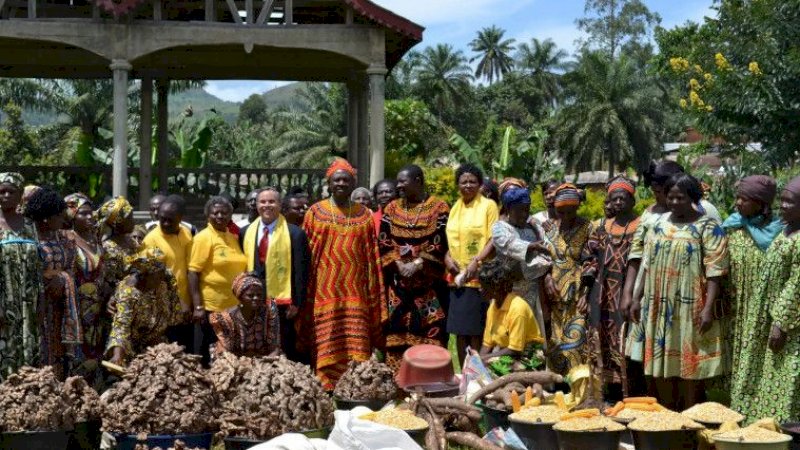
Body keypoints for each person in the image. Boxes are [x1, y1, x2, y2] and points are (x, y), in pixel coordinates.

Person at [631, 174, 728, 410]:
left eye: (680, 198)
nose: (674, 202)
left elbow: (715, 270)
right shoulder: (657, 223)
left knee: (690, 362)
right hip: (657, 303)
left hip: (690, 304)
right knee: (660, 363)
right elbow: (644, 261)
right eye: (670, 197)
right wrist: (636, 297)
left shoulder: (708, 227)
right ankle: (666, 415)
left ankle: (690, 416)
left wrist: (707, 308)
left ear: (693, 198)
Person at [302, 158, 385, 390]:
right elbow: (307, 254)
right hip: (323, 292)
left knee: (356, 345)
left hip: (356, 293)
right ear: (329, 183)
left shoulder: (365, 215)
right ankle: (327, 387)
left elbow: (371, 256)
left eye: (346, 180)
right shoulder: (315, 213)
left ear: (353, 184)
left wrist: (371, 290)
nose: (341, 183)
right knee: (326, 342)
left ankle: (357, 386)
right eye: (336, 179)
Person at [378, 165, 450, 370]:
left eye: (403, 181)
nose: (398, 185)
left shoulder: (439, 207)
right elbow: (383, 240)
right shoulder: (392, 208)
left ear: (418, 180)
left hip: (429, 288)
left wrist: (418, 264)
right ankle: (398, 385)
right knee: (396, 335)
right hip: (398, 286)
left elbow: (440, 241)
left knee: (432, 334)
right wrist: (399, 264)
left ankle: (430, 384)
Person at [725, 175, 783, 419]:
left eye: (744, 199)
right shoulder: (732, 226)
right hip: (735, 305)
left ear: (761, 203)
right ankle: (733, 409)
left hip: (763, 308)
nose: (737, 203)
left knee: (758, 359)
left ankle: (757, 413)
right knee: (734, 357)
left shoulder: (779, 232)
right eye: (737, 197)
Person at [743, 176, 800, 423]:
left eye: (791, 202)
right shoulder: (787, 229)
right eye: (783, 201)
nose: (783, 207)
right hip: (767, 317)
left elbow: (797, 285)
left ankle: (785, 431)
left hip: (788, 324)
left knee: (785, 376)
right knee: (766, 374)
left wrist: (780, 323)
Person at [581, 177, 641, 399]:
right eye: (613, 199)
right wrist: (586, 291)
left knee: (628, 340)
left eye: (622, 198)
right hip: (603, 294)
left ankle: (633, 393)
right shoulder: (602, 227)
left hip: (629, 291)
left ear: (632, 200)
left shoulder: (641, 226)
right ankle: (610, 391)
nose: (617, 203)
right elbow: (590, 256)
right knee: (603, 339)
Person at [240, 188, 309, 362]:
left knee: (283, 343)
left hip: (283, 301)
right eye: (263, 202)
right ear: (256, 205)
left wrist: (297, 301)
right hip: (254, 299)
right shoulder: (245, 232)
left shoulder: (295, 234)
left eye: (272, 202)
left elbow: (301, 271)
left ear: (280, 205)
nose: (267, 205)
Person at [445, 163, 499, 365]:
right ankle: (465, 377)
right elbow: (452, 239)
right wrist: (448, 259)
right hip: (457, 278)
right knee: (459, 332)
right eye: (463, 181)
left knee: (475, 331)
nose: (468, 185)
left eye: (472, 181)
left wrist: (477, 261)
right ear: (457, 185)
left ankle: (478, 377)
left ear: (480, 184)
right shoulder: (455, 208)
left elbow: (494, 238)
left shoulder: (488, 206)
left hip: (478, 278)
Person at [26, 187, 81, 380]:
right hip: (36, 305)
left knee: (58, 352)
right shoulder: (28, 239)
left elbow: (71, 269)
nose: (63, 220)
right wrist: (49, 280)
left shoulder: (64, 238)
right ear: (45, 218)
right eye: (58, 216)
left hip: (60, 307)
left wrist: (63, 279)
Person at [188, 196, 248, 364]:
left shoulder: (231, 237)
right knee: (206, 352)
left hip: (233, 306)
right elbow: (193, 272)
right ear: (208, 215)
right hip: (210, 306)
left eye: (224, 213)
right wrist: (198, 306)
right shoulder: (204, 237)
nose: (220, 216)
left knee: (227, 351)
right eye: (216, 213)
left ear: (231, 215)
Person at [542, 183, 593, 376]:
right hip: (555, 295)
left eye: (570, 212)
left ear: (578, 207)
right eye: (561, 212)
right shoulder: (549, 228)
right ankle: (558, 392)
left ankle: (578, 390)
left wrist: (587, 294)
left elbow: (591, 261)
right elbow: (544, 259)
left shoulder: (588, 227)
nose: (566, 217)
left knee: (575, 345)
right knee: (555, 345)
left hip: (578, 294)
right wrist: (547, 276)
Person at [491, 183, 551, 347]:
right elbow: (509, 245)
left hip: (532, 290)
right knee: (507, 334)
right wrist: (531, 247)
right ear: (508, 209)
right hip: (509, 291)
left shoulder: (534, 228)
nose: (524, 214)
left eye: (527, 209)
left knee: (532, 334)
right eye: (519, 210)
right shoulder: (500, 228)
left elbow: (545, 255)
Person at [106, 249, 184, 366]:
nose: (162, 277)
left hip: (157, 344)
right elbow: (121, 326)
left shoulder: (165, 281)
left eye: (163, 272)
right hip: (130, 347)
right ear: (145, 275)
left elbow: (174, 316)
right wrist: (118, 356)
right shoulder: (128, 291)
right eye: (158, 275)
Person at [0, 173, 40, 378]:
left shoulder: (30, 225)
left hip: (29, 303)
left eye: (11, 191)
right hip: (4, 303)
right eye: (2, 191)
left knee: (28, 348)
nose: (5, 195)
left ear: (20, 195)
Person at [143, 194, 194, 351]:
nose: (164, 223)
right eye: (162, 218)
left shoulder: (186, 233)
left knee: (187, 355)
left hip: (187, 309)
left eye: (170, 220)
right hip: (165, 309)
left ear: (180, 218)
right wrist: (180, 303)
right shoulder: (151, 239)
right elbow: (155, 278)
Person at [64, 193, 107, 366]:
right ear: (72, 215)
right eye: (83, 213)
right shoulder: (67, 238)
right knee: (79, 356)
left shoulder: (95, 238)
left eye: (91, 212)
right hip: (77, 307)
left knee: (96, 352)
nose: (89, 216)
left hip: (98, 308)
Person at [479, 258, 544, 364]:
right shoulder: (493, 307)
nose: (480, 289)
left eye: (484, 287)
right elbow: (487, 344)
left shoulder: (518, 308)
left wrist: (485, 358)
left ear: (496, 288)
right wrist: (477, 361)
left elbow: (515, 350)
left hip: (527, 358)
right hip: (506, 354)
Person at [210, 272, 280, 358]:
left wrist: (266, 364)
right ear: (240, 297)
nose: (256, 298)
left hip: (263, 359)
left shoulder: (269, 312)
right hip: (234, 361)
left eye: (259, 295)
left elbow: (274, 347)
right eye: (250, 295)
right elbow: (226, 351)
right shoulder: (226, 319)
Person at [98, 196, 140, 291]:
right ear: (119, 223)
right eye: (130, 218)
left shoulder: (131, 241)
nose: (134, 221)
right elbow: (111, 283)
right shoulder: (109, 249)